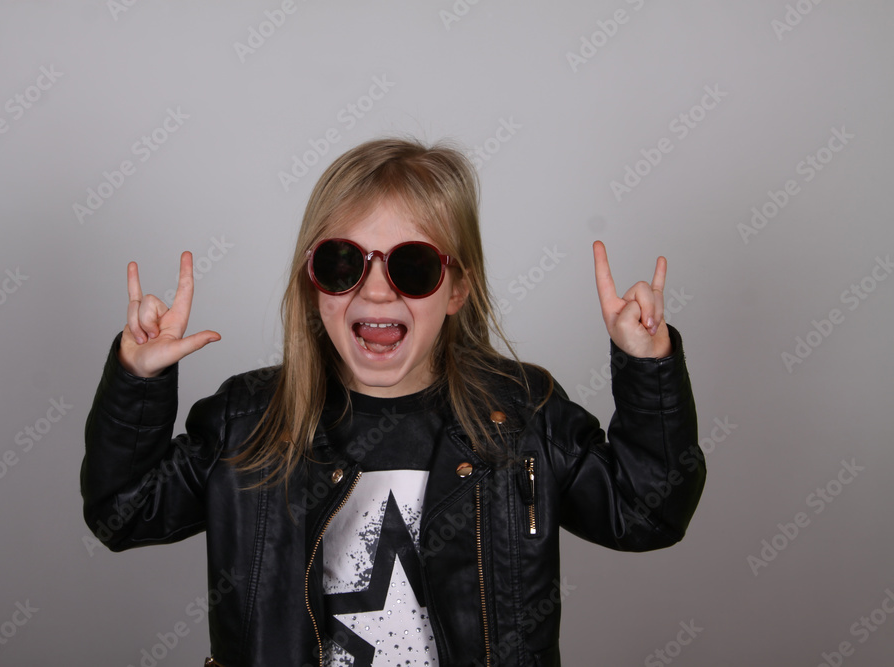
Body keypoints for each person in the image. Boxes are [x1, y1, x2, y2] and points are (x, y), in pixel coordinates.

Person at [81, 138, 705, 667]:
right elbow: (121, 513)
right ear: (313, 284)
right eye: (343, 263)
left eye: (412, 267)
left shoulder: (522, 419)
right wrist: (139, 380)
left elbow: (648, 511)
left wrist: (646, 367)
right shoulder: (247, 423)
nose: (376, 291)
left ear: (456, 289)